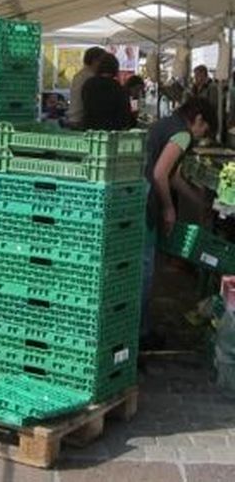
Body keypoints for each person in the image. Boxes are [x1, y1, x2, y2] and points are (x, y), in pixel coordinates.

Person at [140, 97, 216, 347]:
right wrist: (169, 208)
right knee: (145, 271)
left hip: (139, 195)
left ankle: (142, 329)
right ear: (198, 119)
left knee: (144, 268)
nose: (202, 134)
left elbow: (171, 177)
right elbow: (160, 173)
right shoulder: (182, 134)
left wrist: (197, 199)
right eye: (205, 128)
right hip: (146, 200)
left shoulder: (167, 123)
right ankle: (142, 334)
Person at [81, 52, 132, 131]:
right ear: (115, 68)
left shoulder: (88, 84)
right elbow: (125, 114)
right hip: (112, 130)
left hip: (90, 129)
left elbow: (85, 105)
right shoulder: (118, 87)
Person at [67, 46, 106, 129]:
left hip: (74, 118)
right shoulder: (91, 78)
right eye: (102, 61)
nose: (104, 64)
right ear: (95, 61)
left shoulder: (79, 75)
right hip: (81, 120)